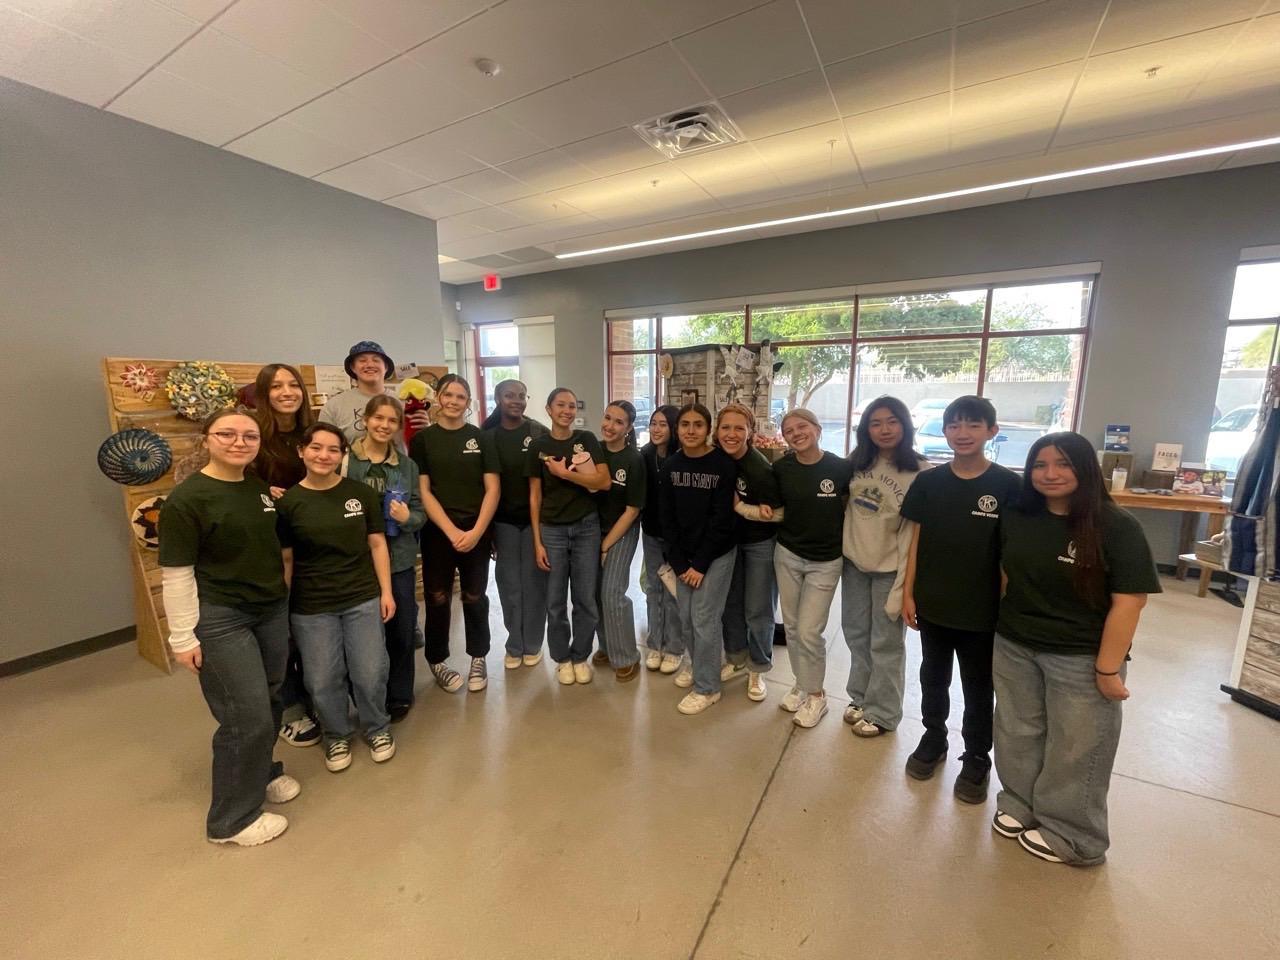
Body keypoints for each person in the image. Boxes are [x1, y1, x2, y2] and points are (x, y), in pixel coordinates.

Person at [993, 432, 1159, 866]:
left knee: (1077, 744)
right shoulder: (1019, 515)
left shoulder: (1117, 526)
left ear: (1085, 468)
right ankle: (1019, 803)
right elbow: (1007, 574)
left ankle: (1074, 834)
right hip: (1015, 643)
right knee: (1016, 730)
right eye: (1040, 464)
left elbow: (1130, 602)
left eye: (1063, 463)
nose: (1050, 474)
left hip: (1080, 655)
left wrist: (1108, 669)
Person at [159, 409, 299, 846]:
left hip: (269, 609)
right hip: (223, 618)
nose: (239, 442)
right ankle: (231, 820)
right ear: (207, 439)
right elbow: (176, 574)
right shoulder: (187, 500)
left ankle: (262, 773)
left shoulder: (256, 488)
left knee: (270, 698)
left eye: (249, 436)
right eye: (227, 434)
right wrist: (183, 637)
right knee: (245, 715)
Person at [900, 395, 1022, 803]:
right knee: (932, 677)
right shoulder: (929, 482)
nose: (962, 433)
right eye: (954, 425)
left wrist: (1006, 607)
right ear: (945, 431)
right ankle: (934, 737)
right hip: (934, 602)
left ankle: (977, 756)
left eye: (973, 425)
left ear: (992, 430)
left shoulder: (1008, 486)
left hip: (982, 611)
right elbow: (916, 541)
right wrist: (909, 593)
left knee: (978, 686)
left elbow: (1011, 554)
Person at [276, 423, 397, 773]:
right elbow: (286, 559)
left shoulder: (359, 494)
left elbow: (377, 544)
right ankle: (336, 734)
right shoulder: (288, 504)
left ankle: (377, 728)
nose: (324, 455)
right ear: (302, 451)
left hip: (361, 597)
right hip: (311, 606)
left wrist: (386, 592)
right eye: (316, 447)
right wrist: (282, 608)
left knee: (370, 672)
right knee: (322, 679)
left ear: (342, 455)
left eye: (333, 449)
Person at [841, 396, 929, 738]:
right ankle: (860, 697)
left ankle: (884, 712)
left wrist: (910, 585)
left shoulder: (921, 471)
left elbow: (919, 531)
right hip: (855, 564)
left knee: (886, 643)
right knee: (856, 635)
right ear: (866, 429)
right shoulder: (856, 463)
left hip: (891, 568)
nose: (884, 429)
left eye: (892, 421)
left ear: (905, 425)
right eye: (876, 423)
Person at [409, 374, 501, 693]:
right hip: (438, 531)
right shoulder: (423, 440)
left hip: (476, 528)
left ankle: (478, 657)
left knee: (475, 596)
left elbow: (493, 489)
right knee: (437, 597)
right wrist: (450, 530)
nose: (453, 401)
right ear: (438, 397)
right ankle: (437, 660)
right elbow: (423, 490)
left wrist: (476, 532)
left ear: (468, 402)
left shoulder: (481, 438)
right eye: (448, 395)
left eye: (460, 397)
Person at [249, 363, 322, 749]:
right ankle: (289, 706)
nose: (287, 392)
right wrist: (262, 491)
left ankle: (315, 695)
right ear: (265, 393)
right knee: (282, 629)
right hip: (273, 543)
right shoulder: (254, 436)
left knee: (311, 624)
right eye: (277, 386)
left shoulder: (312, 432)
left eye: (293, 384)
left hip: (314, 539)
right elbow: (235, 481)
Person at [342, 395, 426, 723]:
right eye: (378, 418)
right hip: (356, 562)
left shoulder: (407, 466)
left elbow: (420, 514)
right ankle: (365, 696)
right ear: (365, 419)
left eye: (392, 420)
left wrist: (407, 518)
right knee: (361, 637)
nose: (384, 425)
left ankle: (400, 694)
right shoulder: (345, 462)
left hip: (398, 560)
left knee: (401, 632)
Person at [772, 409, 853, 728]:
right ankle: (802, 684)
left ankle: (817, 696)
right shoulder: (782, 468)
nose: (796, 433)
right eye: (789, 430)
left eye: (802, 426)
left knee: (809, 630)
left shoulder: (840, 468)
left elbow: (850, 509)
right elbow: (774, 505)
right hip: (788, 554)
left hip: (826, 560)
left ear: (818, 429)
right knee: (792, 628)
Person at [528, 387, 611, 685]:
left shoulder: (586, 440)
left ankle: (580, 656)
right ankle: (562, 658)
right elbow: (535, 496)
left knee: (585, 598)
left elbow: (603, 481)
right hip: (552, 530)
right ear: (548, 409)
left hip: (586, 527)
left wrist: (565, 474)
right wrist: (537, 541)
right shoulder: (538, 446)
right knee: (555, 600)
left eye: (572, 406)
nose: (567, 411)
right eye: (561, 405)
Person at [660, 403, 737, 715]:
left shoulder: (723, 465)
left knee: (704, 618)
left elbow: (722, 521)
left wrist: (700, 564)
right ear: (677, 429)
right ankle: (699, 665)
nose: (691, 431)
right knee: (687, 616)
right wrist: (681, 564)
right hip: (684, 556)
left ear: (708, 430)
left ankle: (708, 688)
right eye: (685, 424)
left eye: (698, 425)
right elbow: (667, 519)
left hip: (715, 554)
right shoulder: (670, 466)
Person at [482, 379, 550, 669]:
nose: (517, 400)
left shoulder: (538, 433)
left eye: (522, 396)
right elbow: (483, 487)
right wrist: (488, 531)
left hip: (536, 524)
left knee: (534, 585)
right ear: (498, 398)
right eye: (510, 395)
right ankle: (514, 644)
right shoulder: (487, 437)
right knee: (509, 585)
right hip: (503, 524)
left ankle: (533, 643)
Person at [716, 403, 781, 703]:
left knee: (758, 607)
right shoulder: (715, 460)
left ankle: (758, 665)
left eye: (739, 428)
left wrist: (742, 508)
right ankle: (736, 657)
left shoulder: (759, 468)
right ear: (717, 431)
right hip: (726, 544)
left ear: (750, 432)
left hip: (758, 544)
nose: (731, 434)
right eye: (725, 427)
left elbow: (776, 513)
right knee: (731, 604)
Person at [592, 400, 646, 682]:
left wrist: (606, 545)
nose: (610, 426)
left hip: (622, 531)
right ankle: (607, 645)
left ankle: (626, 656)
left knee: (612, 592)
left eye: (619, 422)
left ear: (629, 428)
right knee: (594, 592)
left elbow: (632, 510)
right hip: (592, 531)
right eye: (607, 418)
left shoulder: (633, 460)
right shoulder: (593, 450)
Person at [639, 405, 684, 674]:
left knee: (674, 592)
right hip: (651, 533)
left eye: (662, 424)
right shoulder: (645, 455)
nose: (656, 429)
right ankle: (655, 643)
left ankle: (675, 647)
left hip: (677, 537)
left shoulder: (683, 457)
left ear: (673, 428)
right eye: (653, 423)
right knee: (654, 588)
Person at [319, 340, 429, 444]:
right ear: (353, 367)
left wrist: (426, 429)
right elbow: (323, 446)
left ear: (386, 367)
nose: (370, 365)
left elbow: (417, 443)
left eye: (376, 360)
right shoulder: (334, 406)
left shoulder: (404, 403)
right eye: (362, 361)